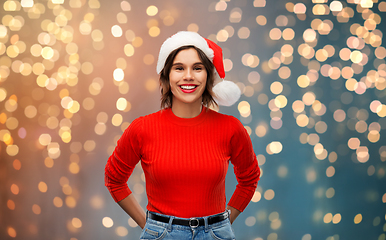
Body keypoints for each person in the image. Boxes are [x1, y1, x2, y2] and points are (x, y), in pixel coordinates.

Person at [105, 31, 260, 239]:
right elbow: (114, 179)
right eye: (179, 68)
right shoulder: (142, 128)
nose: (188, 76)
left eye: (197, 68)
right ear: (166, 77)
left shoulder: (231, 128)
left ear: (208, 76)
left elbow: (249, 178)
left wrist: (220, 226)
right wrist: (150, 226)